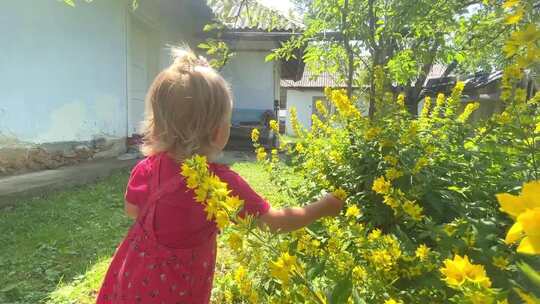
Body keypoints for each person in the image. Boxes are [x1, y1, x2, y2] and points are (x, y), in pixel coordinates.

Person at [96, 48, 344, 304]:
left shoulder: (146, 168)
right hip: (179, 290)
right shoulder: (220, 183)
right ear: (217, 132)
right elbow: (272, 222)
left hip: (135, 281)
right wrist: (322, 207)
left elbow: (132, 210)